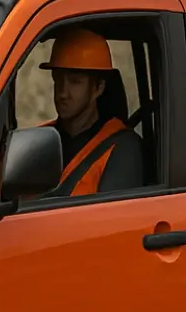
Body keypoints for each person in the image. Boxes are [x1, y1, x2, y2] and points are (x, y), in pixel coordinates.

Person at [36, 27, 143, 196]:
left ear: (98, 88)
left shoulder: (122, 149)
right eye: (58, 80)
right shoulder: (37, 142)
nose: (63, 93)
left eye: (75, 82)